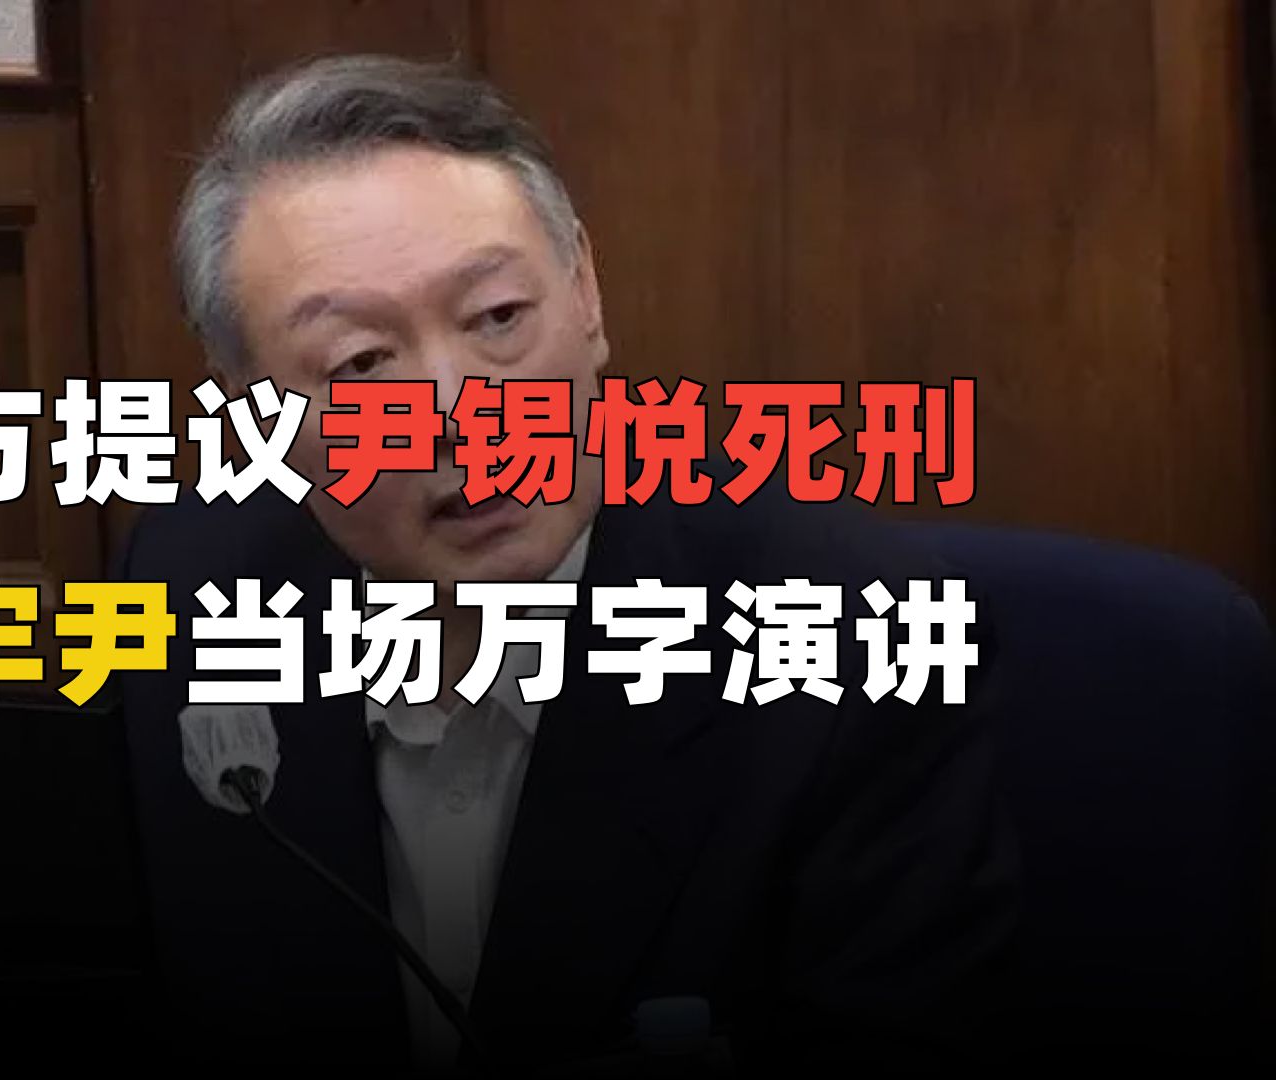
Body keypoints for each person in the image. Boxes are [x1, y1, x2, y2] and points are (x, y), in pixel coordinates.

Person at [115, 54, 1019, 1077]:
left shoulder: (855, 640)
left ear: (585, 291)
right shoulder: (192, 592)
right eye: (361, 363)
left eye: (498, 318)